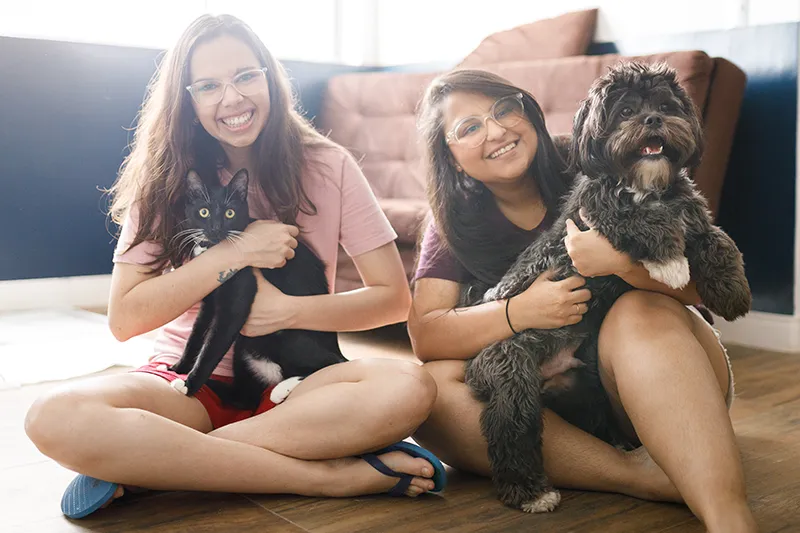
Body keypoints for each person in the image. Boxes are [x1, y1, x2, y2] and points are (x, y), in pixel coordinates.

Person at [25, 14, 446, 520]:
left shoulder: (328, 165)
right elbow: (125, 319)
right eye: (208, 85)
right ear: (188, 99)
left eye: (246, 76)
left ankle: (159, 463)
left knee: (410, 386)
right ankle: (322, 476)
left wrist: (287, 312)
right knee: (52, 416)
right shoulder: (163, 177)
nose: (232, 99)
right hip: (187, 385)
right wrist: (236, 251)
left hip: (296, 386)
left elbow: (392, 299)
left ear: (270, 76)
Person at [408, 69, 757, 533]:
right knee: (431, 389)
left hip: (664, 372)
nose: (496, 132)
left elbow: (707, 291)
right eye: (469, 128)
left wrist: (620, 265)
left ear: (527, 111)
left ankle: (729, 517)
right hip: (566, 398)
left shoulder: (605, 148)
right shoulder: (450, 221)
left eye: (503, 110)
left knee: (635, 311)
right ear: (450, 157)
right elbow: (427, 335)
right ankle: (639, 475)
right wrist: (520, 312)